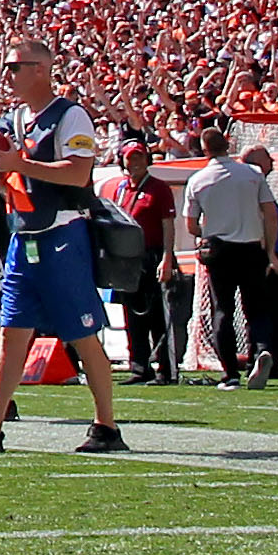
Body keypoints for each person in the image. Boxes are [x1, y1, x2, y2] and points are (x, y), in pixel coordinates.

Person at [0, 39, 130, 457]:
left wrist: (17, 165)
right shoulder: (20, 119)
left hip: (63, 234)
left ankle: (106, 424)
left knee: (82, 332)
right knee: (11, 331)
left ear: (40, 69)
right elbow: (14, 186)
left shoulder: (70, 115)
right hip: (25, 234)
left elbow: (79, 174)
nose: (8, 75)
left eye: (15, 67)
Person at [187, 139, 278, 385]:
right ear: (227, 146)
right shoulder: (252, 174)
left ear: (205, 149)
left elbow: (191, 225)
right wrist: (270, 252)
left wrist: (208, 231)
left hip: (220, 250)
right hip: (251, 246)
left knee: (223, 310)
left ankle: (230, 372)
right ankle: (261, 350)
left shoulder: (198, 180)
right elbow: (270, 214)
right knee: (257, 308)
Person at [112, 140, 189, 389]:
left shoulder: (159, 188)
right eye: (130, 158)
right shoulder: (121, 189)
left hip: (152, 255)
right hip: (127, 260)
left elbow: (168, 225)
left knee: (157, 314)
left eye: (139, 158)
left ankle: (165, 368)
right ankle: (139, 365)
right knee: (132, 315)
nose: (135, 163)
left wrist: (168, 257)